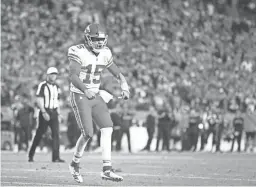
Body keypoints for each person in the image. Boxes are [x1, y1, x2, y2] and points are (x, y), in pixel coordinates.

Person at [68, 23, 130, 183]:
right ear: (88, 39)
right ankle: (74, 164)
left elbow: (117, 72)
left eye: (101, 39)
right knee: (88, 133)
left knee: (108, 128)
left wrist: (124, 85)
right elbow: (73, 76)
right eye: (95, 39)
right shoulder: (77, 51)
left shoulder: (105, 53)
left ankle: (107, 170)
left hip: (95, 95)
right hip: (80, 94)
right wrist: (85, 89)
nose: (99, 42)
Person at [28, 67, 64, 163]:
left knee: (56, 134)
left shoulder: (57, 87)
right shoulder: (42, 85)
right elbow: (39, 99)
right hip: (45, 112)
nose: (53, 76)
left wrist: (59, 114)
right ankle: (31, 155)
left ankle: (56, 157)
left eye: (55, 74)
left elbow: (57, 101)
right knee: (39, 134)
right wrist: (43, 112)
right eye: (52, 74)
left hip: (54, 112)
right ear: (47, 75)